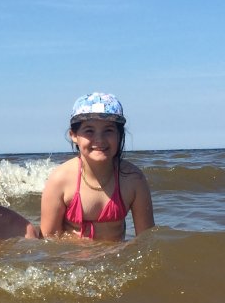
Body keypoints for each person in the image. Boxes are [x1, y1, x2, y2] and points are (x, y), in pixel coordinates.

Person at [40, 92, 154, 241]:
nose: (99, 139)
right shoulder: (59, 180)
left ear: (119, 135)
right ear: (73, 135)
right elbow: (48, 242)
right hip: (73, 255)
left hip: (116, 255)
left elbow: (147, 240)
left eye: (108, 130)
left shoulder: (133, 180)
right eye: (89, 131)